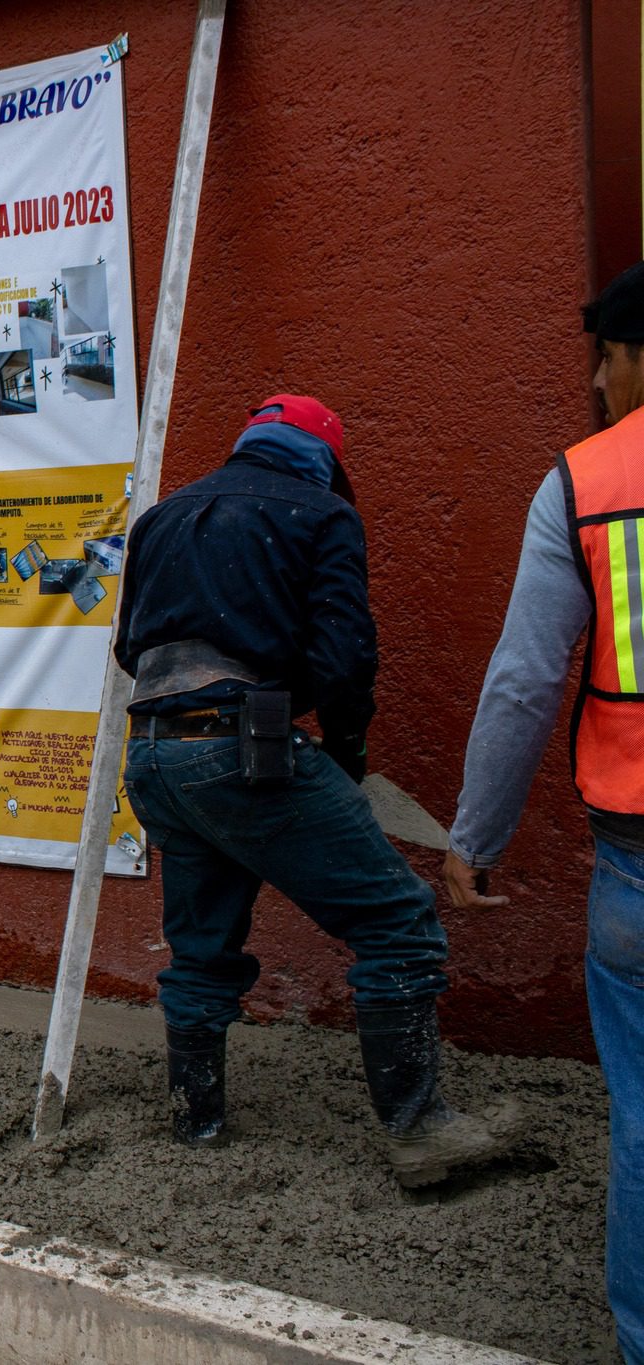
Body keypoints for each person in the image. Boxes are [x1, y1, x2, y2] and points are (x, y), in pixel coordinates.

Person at [115, 393, 520, 1187]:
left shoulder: (158, 519)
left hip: (155, 756)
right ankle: (420, 1131)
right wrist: (345, 750)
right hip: (242, 750)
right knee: (398, 920)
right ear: (324, 460)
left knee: (200, 948)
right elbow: (344, 658)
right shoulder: (322, 512)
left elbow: (132, 648)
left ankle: (195, 1122)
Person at [443, 262, 644, 1361]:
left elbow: (522, 682)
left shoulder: (585, 483)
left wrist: (471, 839)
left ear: (628, 356)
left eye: (601, 365)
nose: (597, 388)